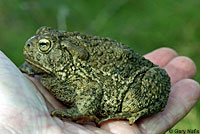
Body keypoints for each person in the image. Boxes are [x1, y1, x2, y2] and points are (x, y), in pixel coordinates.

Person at [0, 47, 199, 134]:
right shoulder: (65, 70)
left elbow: (92, 88)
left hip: (130, 82)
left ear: (63, 54)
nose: (31, 47)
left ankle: (132, 111)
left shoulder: (75, 72)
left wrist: (77, 112)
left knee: (138, 96)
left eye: (44, 46)